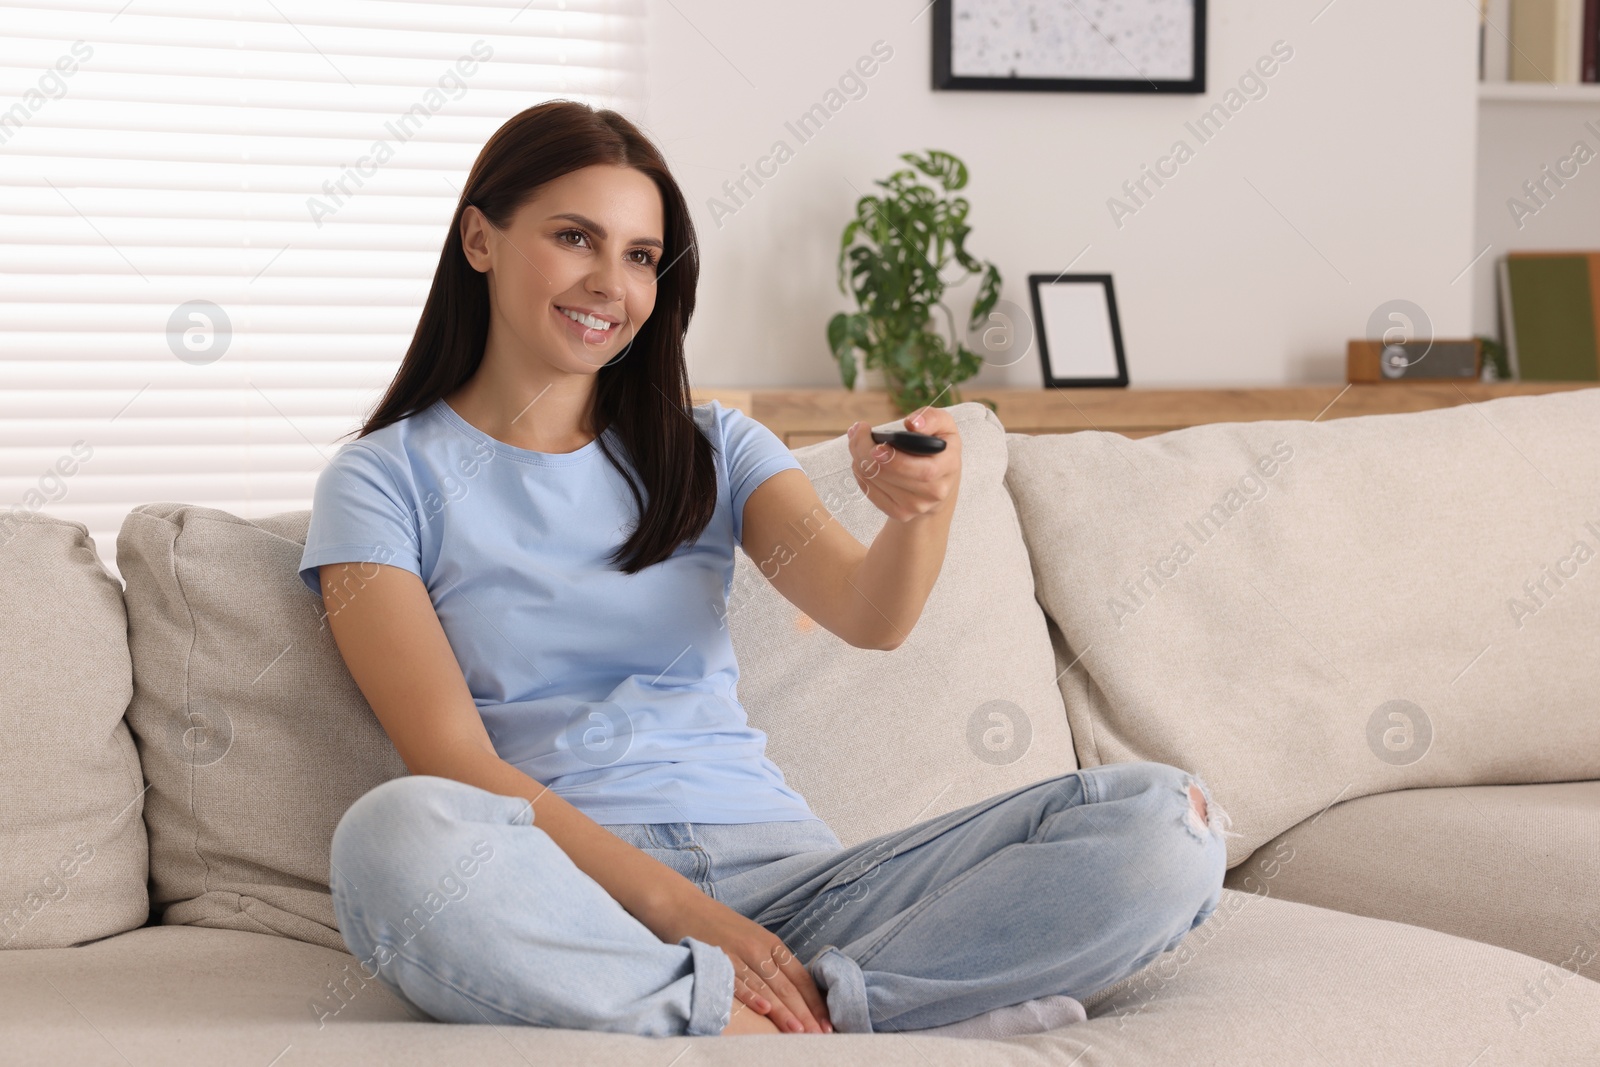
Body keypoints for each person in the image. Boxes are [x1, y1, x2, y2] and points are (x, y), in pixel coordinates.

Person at [299, 99, 1233, 1040]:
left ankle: (785, 1016)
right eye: (575, 237)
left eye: (638, 256)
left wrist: (920, 509)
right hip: (574, 891)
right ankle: (843, 1021)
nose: (609, 282)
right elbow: (453, 760)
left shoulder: (715, 448)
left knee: (1168, 819)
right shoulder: (382, 481)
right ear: (479, 239)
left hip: (799, 884)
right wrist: (683, 912)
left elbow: (872, 612)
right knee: (394, 839)